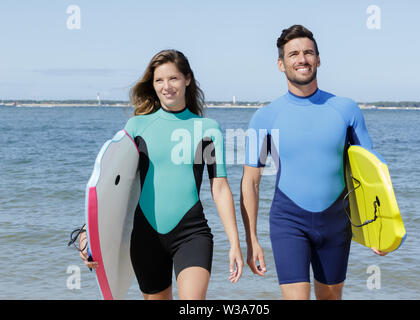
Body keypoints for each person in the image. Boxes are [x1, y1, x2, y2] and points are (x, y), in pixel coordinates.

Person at [78, 49, 243, 300]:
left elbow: (219, 187)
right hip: (146, 237)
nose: (167, 86)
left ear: (187, 79)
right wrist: (88, 232)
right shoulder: (136, 127)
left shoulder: (207, 130)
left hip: (192, 233)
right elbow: (113, 186)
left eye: (173, 78)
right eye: (159, 80)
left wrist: (234, 242)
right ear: (152, 85)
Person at [240, 25, 387, 300]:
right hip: (288, 221)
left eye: (308, 52)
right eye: (293, 54)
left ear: (319, 59)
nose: (302, 59)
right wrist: (251, 241)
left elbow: (370, 175)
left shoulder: (346, 110)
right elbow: (251, 181)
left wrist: (378, 229)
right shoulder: (266, 117)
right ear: (281, 64)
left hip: (336, 222)